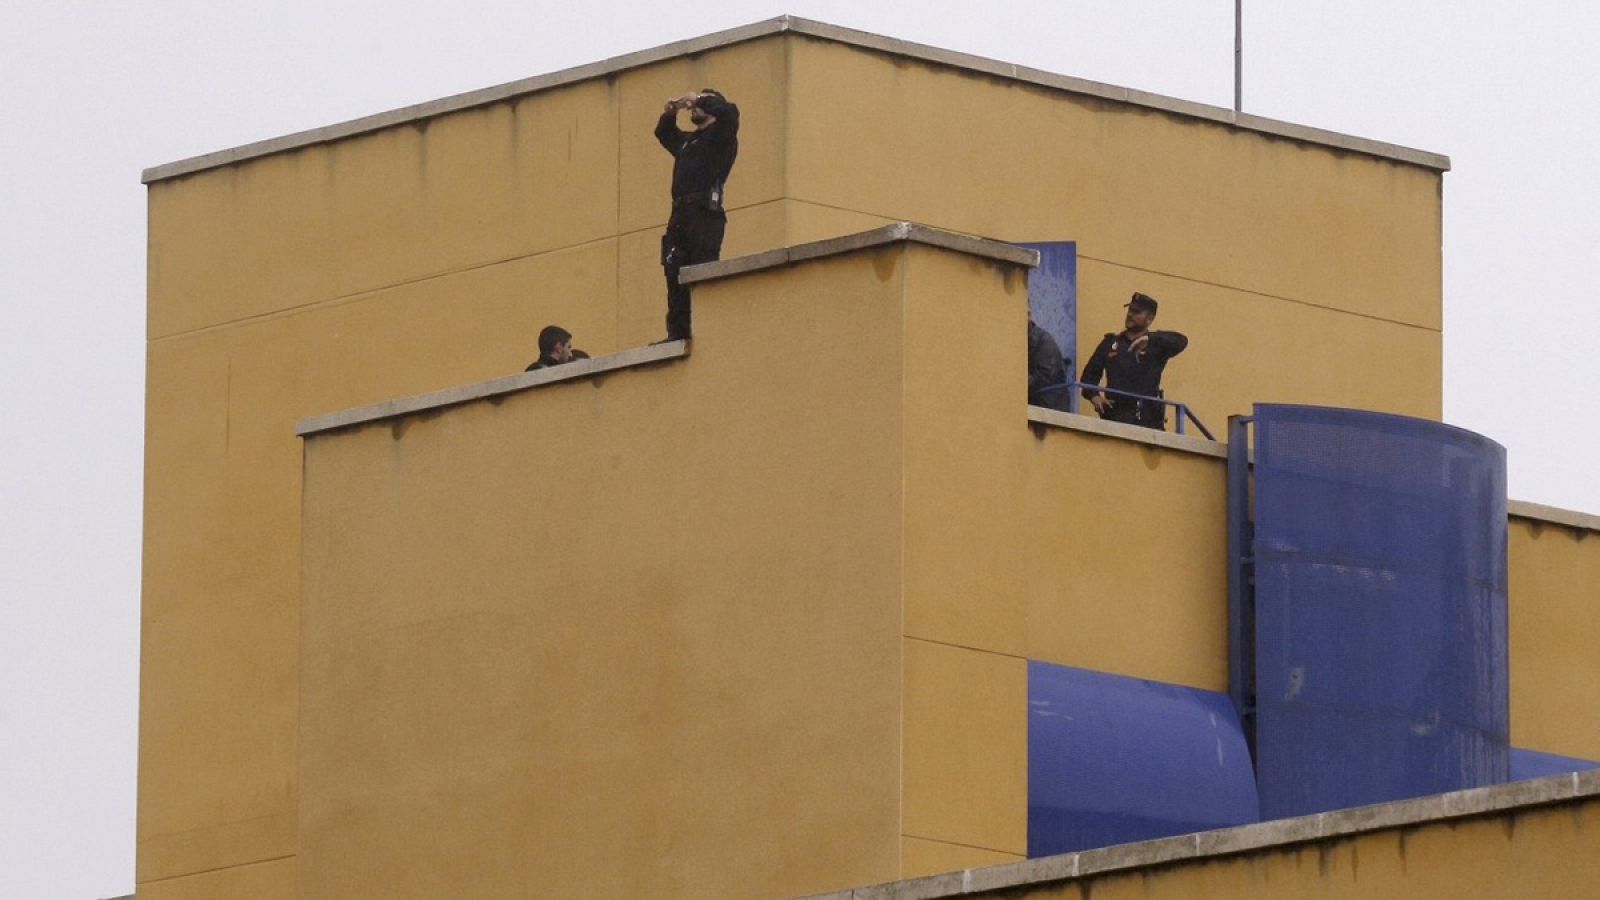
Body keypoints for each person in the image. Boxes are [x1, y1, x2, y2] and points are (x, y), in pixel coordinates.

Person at [655, 88, 740, 341]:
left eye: (701, 104)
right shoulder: (689, 142)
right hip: (680, 215)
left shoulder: (721, 137)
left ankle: (704, 331)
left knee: (701, 273)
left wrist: (701, 98)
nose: (694, 109)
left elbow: (731, 112)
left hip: (704, 214)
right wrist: (669, 115)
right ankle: (677, 334)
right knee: (674, 273)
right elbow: (664, 134)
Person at [1079, 292, 1188, 430]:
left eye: (1137, 312)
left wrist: (1150, 339)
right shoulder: (1110, 343)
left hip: (1147, 422)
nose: (1130, 314)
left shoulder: (1156, 345)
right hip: (1115, 419)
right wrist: (1094, 395)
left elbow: (1182, 341)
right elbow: (1089, 376)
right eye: (1130, 310)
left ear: (1149, 319)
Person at [1027, 316, 1070, 409]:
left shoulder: (1044, 340)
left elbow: (1044, 376)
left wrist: (1017, 384)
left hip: (1049, 406)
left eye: (1028, 313)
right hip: (1039, 405)